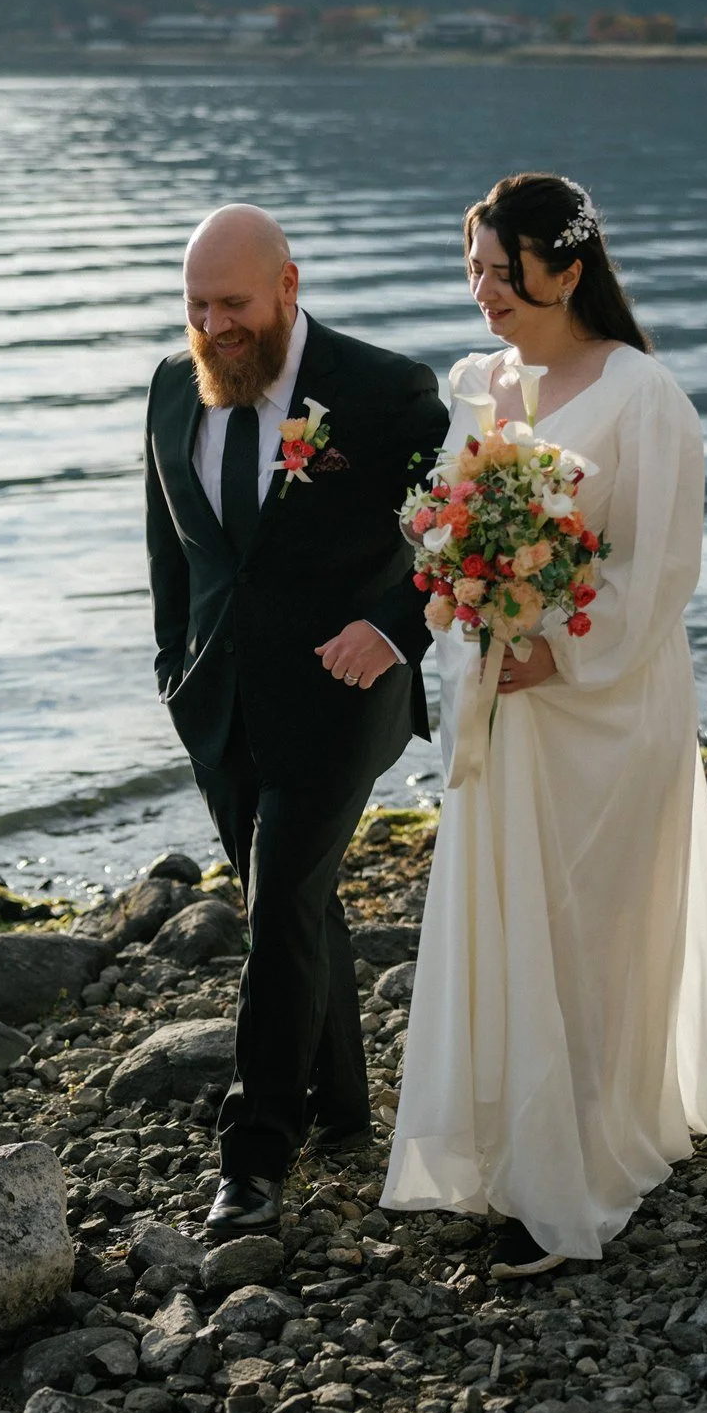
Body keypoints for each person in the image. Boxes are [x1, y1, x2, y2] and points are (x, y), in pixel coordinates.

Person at [381, 172, 707, 1278]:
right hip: (503, 696)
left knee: (589, 924)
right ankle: (507, 1144)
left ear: (568, 268)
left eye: (502, 272)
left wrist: (562, 649)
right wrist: (461, 594)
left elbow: (659, 570)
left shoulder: (644, 396)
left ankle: (583, 1160)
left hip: (604, 699)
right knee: (507, 916)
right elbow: (446, 526)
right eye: (475, 271)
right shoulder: (479, 384)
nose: (483, 292)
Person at [144, 204, 449, 1239]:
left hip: (340, 693)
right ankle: (346, 1109)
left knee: (278, 905)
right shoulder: (168, 388)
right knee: (301, 904)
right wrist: (169, 664)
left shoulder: (385, 390)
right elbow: (174, 549)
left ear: (287, 283)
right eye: (195, 305)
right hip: (218, 700)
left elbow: (455, 537)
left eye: (232, 302)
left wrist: (392, 626)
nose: (214, 324)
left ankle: (256, 1155)